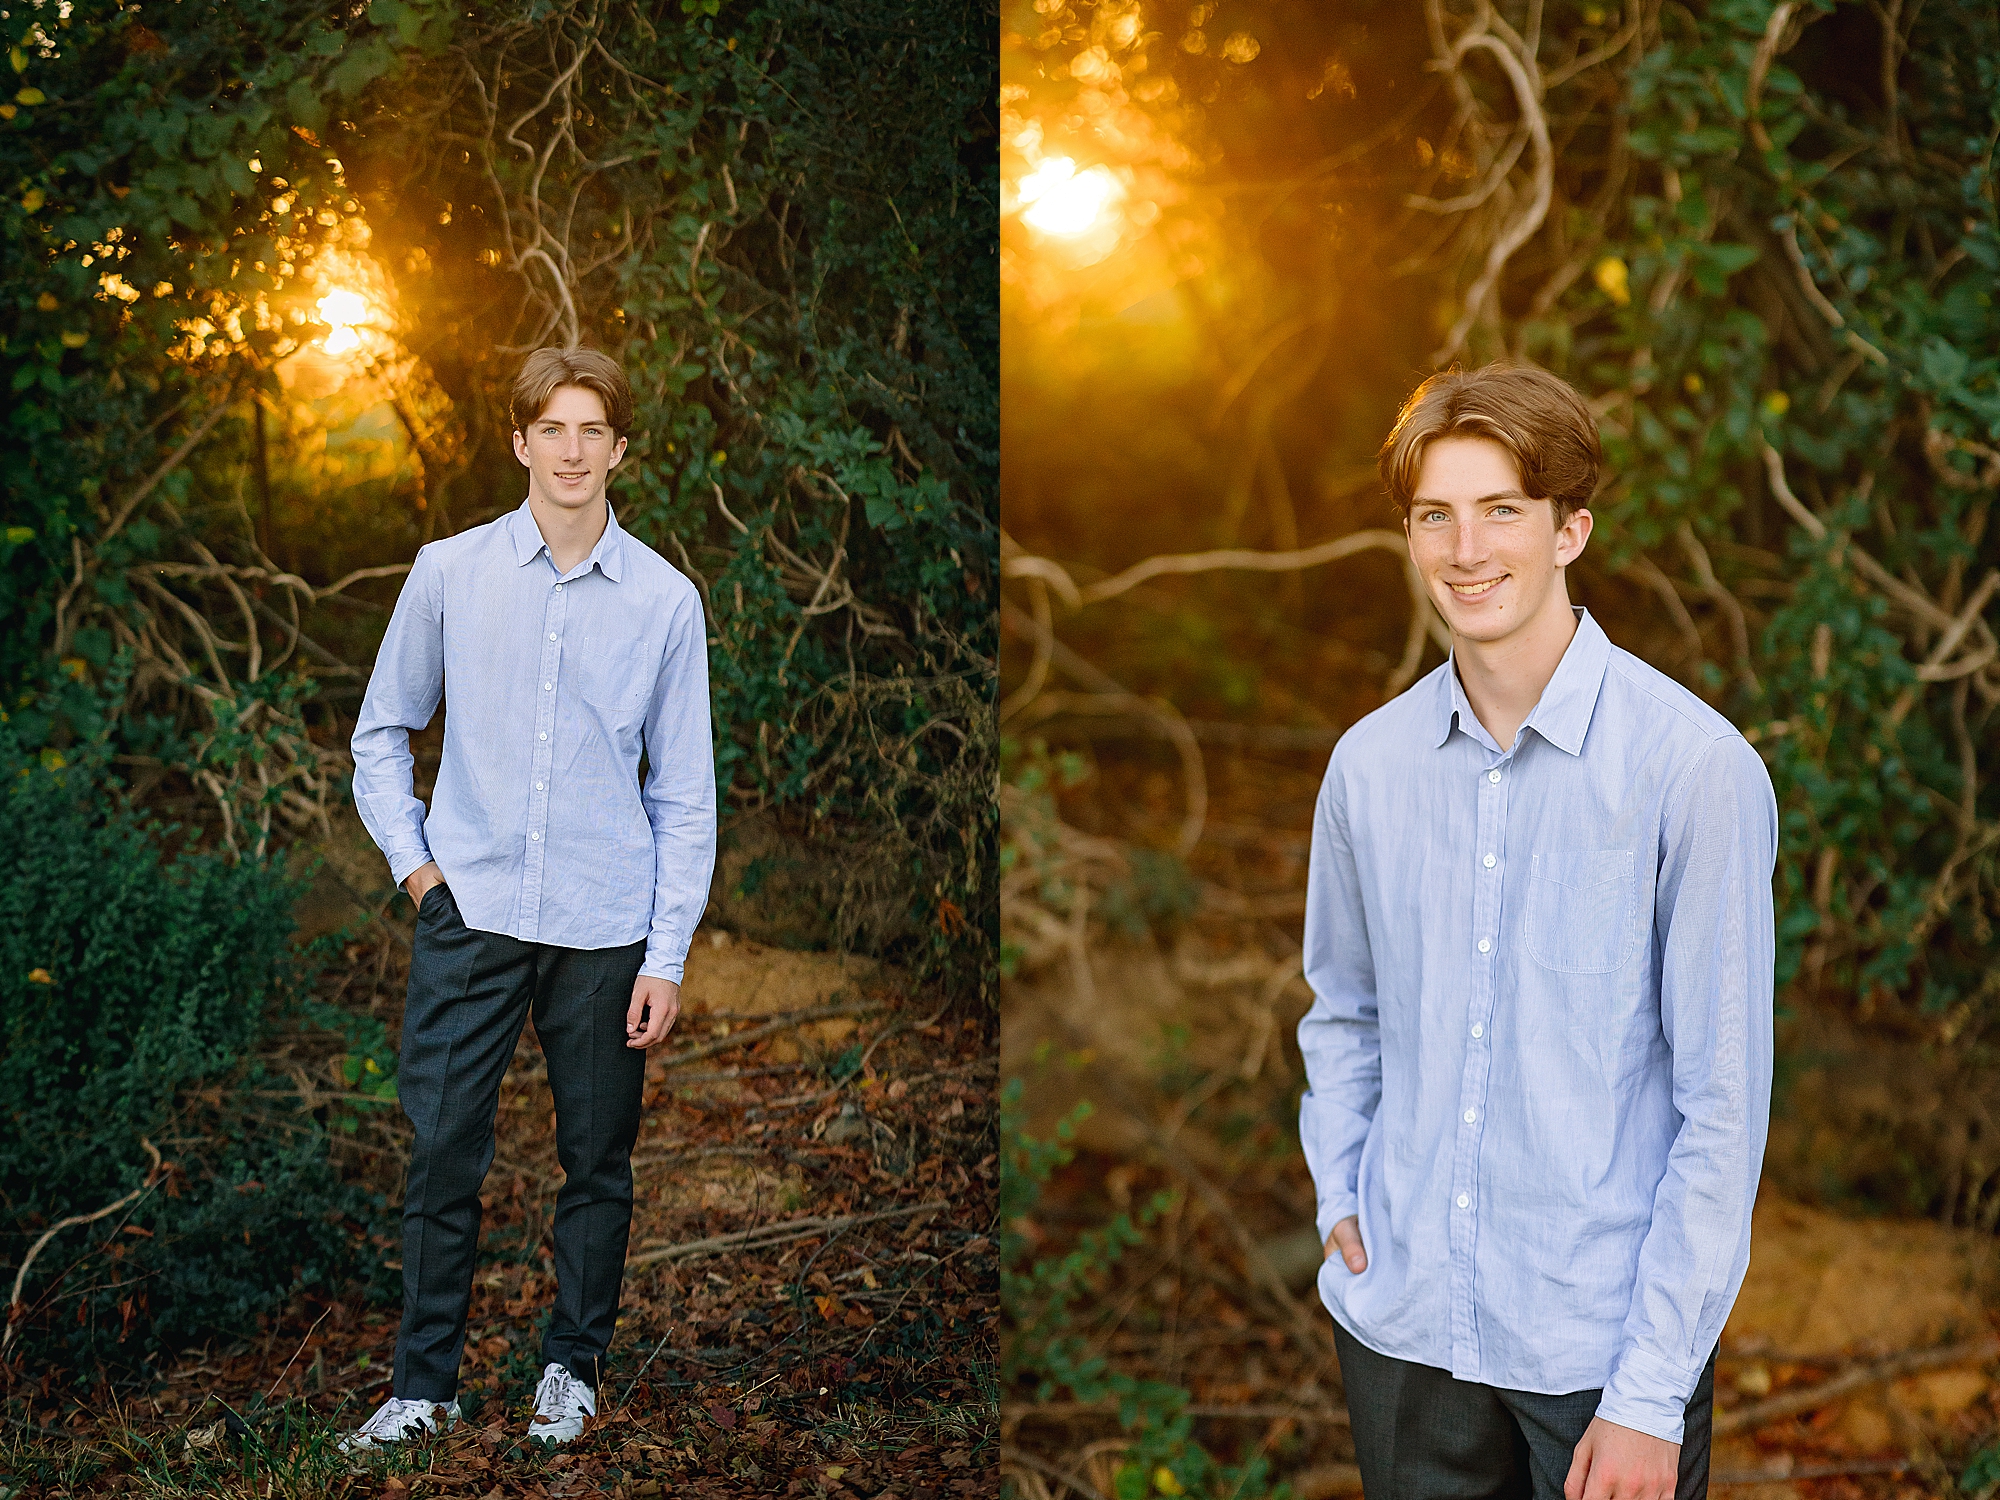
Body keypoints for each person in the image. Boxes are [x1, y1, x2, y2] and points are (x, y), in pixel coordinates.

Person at [1296, 362, 1776, 1500]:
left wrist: (1651, 1389)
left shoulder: (1692, 771)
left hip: (1597, 1350)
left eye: (1501, 509)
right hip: (1402, 1329)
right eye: (1434, 516)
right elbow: (1342, 1008)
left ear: (1569, 531)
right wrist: (1338, 1186)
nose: (1466, 550)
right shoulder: (1366, 768)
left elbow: (1721, 1110)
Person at [339, 346, 717, 1451]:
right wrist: (421, 872)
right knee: (442, 1149)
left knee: (595, 1159)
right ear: (518, 442)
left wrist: (666, 956)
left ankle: (571, 1368)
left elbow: (683, 794)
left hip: (607, 927)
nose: (571, 450)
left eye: (592, 430)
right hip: (473, 916)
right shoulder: (449, 574)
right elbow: (379, 734)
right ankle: (422, 1387)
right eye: (551, 428)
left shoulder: (664, 601)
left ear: (619, 449)